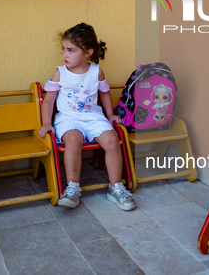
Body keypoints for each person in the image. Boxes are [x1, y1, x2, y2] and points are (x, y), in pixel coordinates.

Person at [38, 23, 137, 211]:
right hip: (68, 119)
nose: (64, 55)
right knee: (73, 141)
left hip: (93, 118)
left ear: (88, 52)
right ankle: (72, 188)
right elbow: (49, 100)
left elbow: (104, 93)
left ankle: (116, 188)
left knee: (112, 141)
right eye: (64, 49)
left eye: (71, 50)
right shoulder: (61, 72)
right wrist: (46, 123)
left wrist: (110, 114)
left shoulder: (96, 72)